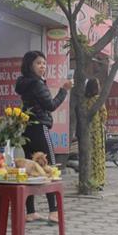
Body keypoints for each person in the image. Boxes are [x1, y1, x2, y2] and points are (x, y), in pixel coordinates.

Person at [16, 51, 72, 223]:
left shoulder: (23, 83)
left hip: (26, 129)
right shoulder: (37, 84)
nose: (43, 66)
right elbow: (51, 105)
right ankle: (53, 211)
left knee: (29, 168)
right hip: (40, 127)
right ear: (30, 65)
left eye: (44, 63)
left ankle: (30, 211)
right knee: (50, 167)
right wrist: (64, 90)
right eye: (39, 63)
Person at [85, 79, 107, 188]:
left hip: (87, 132)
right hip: (97, 132)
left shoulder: (85, 100)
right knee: (98, 156)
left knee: (90, 155)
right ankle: (99, 181)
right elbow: (104, 115)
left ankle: (91, 180)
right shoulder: (98, 100)